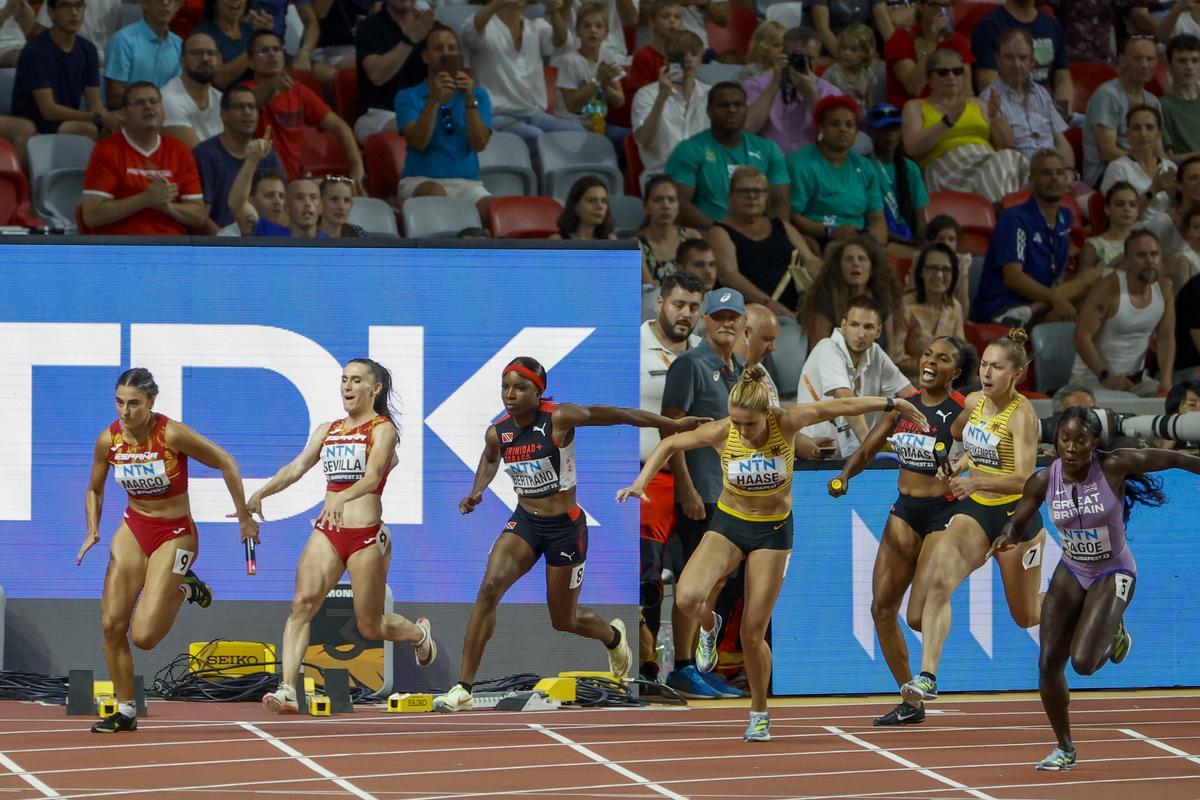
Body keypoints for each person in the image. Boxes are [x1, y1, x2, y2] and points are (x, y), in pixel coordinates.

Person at [619, 366, 929, 740]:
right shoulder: (724, 430)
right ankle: (708, 625)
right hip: (729, 524)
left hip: (773, 532)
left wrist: (892, 401)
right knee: (686, 598)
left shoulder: (788, 422)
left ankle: (759, 712)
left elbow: (841, 406)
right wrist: (640, 483)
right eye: (735, 421)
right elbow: (669, 443)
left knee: (753, 632)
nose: (742, 432)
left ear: (766, 414)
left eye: (748, 424)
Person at [431, 357, 707, 711]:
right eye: (505, 387)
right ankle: (462, 688)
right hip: (525, 523)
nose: (510, 395)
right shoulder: (497, 430)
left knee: (564, 619)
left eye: (520, 388)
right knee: (489, 587)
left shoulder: (559, 417)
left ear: (538, 391)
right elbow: (489, 458)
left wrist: (669, 423)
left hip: (565, 529)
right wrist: (478, 490)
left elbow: (619, 414)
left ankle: (613, 636)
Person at [995, 407, 1200, 770]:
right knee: (1047, 663)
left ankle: (1115, 632)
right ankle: (1064, 747)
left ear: (1095, 443)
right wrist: (1007, 537)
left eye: (1080, 440)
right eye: (1064, 439)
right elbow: (1019, 520)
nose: (1071, 448)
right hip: (1072, 570)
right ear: (1055, 440)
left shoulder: (1114, 466)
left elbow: (1173, 458)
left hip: (1113, 571)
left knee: (1084, 663)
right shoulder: (1044, 481)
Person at [77, 368, 258, 732]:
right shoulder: (108, 440)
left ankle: (186, 587)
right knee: (112, 623)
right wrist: (93, 529)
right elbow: (94, 488)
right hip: (133, 528)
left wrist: (243, 516)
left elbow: (226, 461)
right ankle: (125, 710)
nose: (125, 412)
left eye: (134, 404)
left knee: (144, 637)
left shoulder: (170, 433)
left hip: (175, 533)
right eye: (119, 402)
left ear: (151, 403)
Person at [254, 359, 435, 714]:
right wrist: (261, 493)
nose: (347, 387)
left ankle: (418, 634)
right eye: (344, 380)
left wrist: (341, 497)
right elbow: (295, 468)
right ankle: (287, 687)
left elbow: (372, 477)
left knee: (370, 626)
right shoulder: (328, 429)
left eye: (356, 381)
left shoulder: (383, 430)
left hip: (366, 536)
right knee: (302, 605)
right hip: (329, 532)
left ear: (375, 388)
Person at [898, 329, 1047, 713]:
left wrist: (975, 477)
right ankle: (927, 676)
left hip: (1016, 517)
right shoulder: (976, 401)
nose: (987, 373)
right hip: (977, 511)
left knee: (1027, 614)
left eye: (997, 367)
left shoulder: (1024, 416)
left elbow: (1029, 481)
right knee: (939, 582)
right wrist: (959, 462)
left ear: (1016, 375)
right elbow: (965, 438)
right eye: (984, 365)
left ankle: (1084, 607)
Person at [829, 335, 971, 725]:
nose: (930, 362)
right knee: (881, 609)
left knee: (917, 615)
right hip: (905, 510)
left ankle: (929, 673)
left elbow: (988, 450)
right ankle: (911, 697)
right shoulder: (904, 406)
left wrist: (968, 470)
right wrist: (845, 476)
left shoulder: (960, 411)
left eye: (942, 359)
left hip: (944, 514)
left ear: (955, 372)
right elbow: (869, 448)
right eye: (927, 354)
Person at [659, 288, 748, 699]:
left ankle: (699, 664)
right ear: (705, 321)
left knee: (717, 582)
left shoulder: (741, 367)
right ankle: (680, 665)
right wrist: (687, 488)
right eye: (718, 316)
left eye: (733, 317)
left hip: (730, 493)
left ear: (743, 322)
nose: (726, 323)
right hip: (701, 492)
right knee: (692, 579)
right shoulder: (689, 364)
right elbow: (671, 429)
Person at [638, 272, 705, 685]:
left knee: (694, 576)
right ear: (659, 302)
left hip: (700, 485)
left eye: (695, 307)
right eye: (679, 304)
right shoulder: (632, 348)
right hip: (647, 480)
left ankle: (685, 667)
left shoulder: (703, 354)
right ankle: (644, 666)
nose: (686, 314)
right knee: (646, 580)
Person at [972, 150, 1092, 325]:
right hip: (1004, 307)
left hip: (1038, 305)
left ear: (1067, 179)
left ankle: (1030, 312)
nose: (1054, 178)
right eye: (1046, 173)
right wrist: (1055, 297)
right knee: (1077, 316)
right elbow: (1013, 277)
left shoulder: (1065, 217)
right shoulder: (1015, 218)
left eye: (1059, 173)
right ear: (1031, 180)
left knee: (1095, 281)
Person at [80, 82, 207, 236]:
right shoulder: (106, 150)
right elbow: (92, 215)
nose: (148, 107)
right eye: (139, 103)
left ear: (163, 112)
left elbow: (199, 216)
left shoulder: (180, 151)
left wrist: (168, 206)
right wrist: (145, 199)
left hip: (171, 248)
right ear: (122, 114)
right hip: (120, 247)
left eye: (154, 102)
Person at [901, 49, 1026, 203]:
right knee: (1006, 162)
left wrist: (994, 118)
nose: (951, 77)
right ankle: (1003, 215)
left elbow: (1007, 145)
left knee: (1020, 162)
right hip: (945, 167)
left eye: (957, 71)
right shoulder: (916, 106)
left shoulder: (977, 103)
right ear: (929, 78)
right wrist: (948, 121)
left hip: (986, 161)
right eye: (943, 72)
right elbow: (912, 148)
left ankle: (1004, 212)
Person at [394, 25, 492, 220]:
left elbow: (479, 144)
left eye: (452, 48)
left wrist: (469, 99)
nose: (446, 54)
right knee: (436, 193)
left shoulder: (478, 95)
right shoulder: (407, 96)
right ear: (425, 56)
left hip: (467, 184)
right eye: (438, 49)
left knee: (493, 209)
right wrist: (434, 100)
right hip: (421, 181)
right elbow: (418, 141)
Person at [798, 294, 914, 457]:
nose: (860, 334)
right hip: (818, 454)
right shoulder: (827, 348)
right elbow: (845, 399)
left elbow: (910, 394)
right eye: (854, 325)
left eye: (868, 327)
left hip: (853, 454)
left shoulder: (875, 353)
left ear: (878, 331)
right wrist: (870, 450)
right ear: (843, 325)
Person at [246, 30, 365, 188]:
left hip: (299, 181)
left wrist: (357, 169)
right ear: (250, 62)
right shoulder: (242, 93)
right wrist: (271, 87)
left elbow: (340, 127)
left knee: (340, 186)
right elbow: (252, 102)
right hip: (261, 184)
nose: (272, 54)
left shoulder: (298, 91)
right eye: (263, 51)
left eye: (276, 49)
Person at [666, 82, 791, 228]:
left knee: (807, 245)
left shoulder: (769, 149)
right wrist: (720, 232)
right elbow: (680, 204)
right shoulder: (689, 150)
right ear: (709, 111)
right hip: (707, 234)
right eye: (724, 105)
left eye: (738, 105)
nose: (732, 110)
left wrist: (776, 235)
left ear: (746, 109)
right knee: (634, 246)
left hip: (758, 233)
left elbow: (780, 202)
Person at [1070, 229, 1175, 397]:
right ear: (1126, 260)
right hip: (1093, 380)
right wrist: (1105, 376)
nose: (1149, 261)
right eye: (1141, 255)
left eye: (1154, 254)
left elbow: (1166, 336)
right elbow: (1081, 337)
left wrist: (1166, 380)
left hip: (1136, 382)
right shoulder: (1109, 287)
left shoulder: (1164, 288)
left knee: (1180, 402)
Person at [460, 0, 578, 147]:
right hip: (496, 115)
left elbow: (564, 44)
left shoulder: (536, 25)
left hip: (532, 113)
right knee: (536, 136)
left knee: (577, 132)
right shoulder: (484, 25)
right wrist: (497, 3)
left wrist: (554, 12)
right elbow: (469, 34)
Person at [709, 165, 820, 315]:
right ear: (730, 196)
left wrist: (816, 289)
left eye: (758, 191)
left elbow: (809, 259)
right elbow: (728, 276)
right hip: (747, 312)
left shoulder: (781, 226)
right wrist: (767, 303)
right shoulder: (719, 232)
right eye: (744, 191)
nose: (752, 196)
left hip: (793, 310)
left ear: (766, 197)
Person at [787, 95, 888, 248]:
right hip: (819, 239)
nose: (843, 129)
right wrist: (830, 231)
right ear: (820, 128)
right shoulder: (798, 164)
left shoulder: (866, 167)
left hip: (860, 241)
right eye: (835, 124)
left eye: (849, 125)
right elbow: (792, 216)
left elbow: (876, 217)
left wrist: (872, 244)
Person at [12, 0, 114, 138]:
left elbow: (94, 103)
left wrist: (111, 120)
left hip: (68, 119)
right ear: (51, 13)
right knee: (87, 129)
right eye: (66, 6)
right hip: (35, 123)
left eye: (79, 6)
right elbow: (48, 110)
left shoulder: (88, 49)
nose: (74, 12)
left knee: (120, 128)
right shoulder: (35, 51)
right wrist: (94, 117)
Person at [193, 84, 285, 231]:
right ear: (223, 114)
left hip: (262, 240)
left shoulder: (268, 155)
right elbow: (201, 215)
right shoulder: (205, 154)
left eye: (251, 107)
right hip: (219, 243)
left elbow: (283, 208)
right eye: (239, 107)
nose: (247, 112)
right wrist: (227, 242)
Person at [977, 28, 1074, 166]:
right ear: (997, 60)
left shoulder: (1042, 93)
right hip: (1022, 175)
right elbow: (1004, 148)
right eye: (1009, 57)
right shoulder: (988, 99)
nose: (1017, 65)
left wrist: (1069, 173)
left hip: (1055, 174)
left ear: (1032, 62)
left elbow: (1061, 141)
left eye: (1023, 58)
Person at [744, 25, 845, 156]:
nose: (803, 62)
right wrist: (775, 83)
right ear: (783, 56)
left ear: (819, 59)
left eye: (810, 58)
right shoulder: (756, 84)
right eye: (797, 57)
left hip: (811, 163)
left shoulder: (830, 91)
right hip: (768, 160)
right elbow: (748, 127)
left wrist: (810, 92)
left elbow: (834, 135)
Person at [631, 30, 710, 187]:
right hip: (662, 176)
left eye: (694, 53)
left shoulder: (711, 94)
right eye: (681, 54)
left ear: (701, 58)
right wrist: (661, 98)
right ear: (667, 59)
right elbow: (644, 140)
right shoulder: (647, 94)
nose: (688, 59)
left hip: (703, 175)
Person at [1082, 36, 1163, 188]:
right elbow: (1107, 151)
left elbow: (1158, 150)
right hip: (1109, 174)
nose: (1144, 65)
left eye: (1150, 59)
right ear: (1123, 60)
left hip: (1144, 170)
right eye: (1137, 58)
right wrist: (1146, 168)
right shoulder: (1107, 95)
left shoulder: (1153, 102)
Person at [970, 0, 1072, 115]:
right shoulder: (990, 26)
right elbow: (988, 83)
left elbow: (1062, 81)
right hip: (1010, 114)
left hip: (1045, 113)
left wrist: (1061, 117)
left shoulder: (1053, 26)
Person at [352, 0, 432, 142]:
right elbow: (377, 76)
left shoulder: (428, 26)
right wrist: (410, 40)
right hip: (376, 114)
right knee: (423, 128)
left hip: (419, 110)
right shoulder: (369, 27)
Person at [800, 234, 900, 346]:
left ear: (872, 269)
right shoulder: (826, 299)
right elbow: (818, 349)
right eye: (849, 259)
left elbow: (890, 347)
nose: (856, 263)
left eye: (861, 259)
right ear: (839, 268)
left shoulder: (881, 297)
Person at [554, 2, 626, 149]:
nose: (592, 30)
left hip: (598, 123)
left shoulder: (608, 57)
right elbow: (572, 106)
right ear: (577, 31)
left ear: (606, 33)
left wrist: (605, 83)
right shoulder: (568, 60)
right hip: (571, 123)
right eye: (586, 26)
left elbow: (619, 101)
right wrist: (597, 81)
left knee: (630, 137)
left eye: (598, 26)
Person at [890, 243, 966, 379]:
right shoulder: (904, 306)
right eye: (932, 268)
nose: (939, 275)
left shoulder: (955, 307)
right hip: (911, 380)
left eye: (946, 269)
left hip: (946, 381)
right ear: (921, 272)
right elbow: (895, 359)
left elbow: (961, 353)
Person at [883, 0, 973, 109]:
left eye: (947, 6)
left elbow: (966, 89)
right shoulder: (901, 38)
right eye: (935, 5)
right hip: (908, 113)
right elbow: (913, 88)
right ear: (920, 5)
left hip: (948, 112)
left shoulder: (958, 41)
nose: (942, 12)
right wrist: (932, 42)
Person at [864, 102, 928, 256]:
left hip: (909, 240)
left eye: (894, 129)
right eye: (883, 130)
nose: (890, 136)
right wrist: (906, 243)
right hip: (878, 241)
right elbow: (867, 219)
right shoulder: (863, 166)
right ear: (870, 131)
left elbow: (920, 216)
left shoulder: (910, 168)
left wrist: (923, 242)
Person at [1100, 105, 1177, 229]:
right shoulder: (1118, 168)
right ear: (1128, 134)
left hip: (1171, 230)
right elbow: (1117, 217)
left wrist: (1173, 196)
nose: (1143, 133)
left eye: (1149, 127)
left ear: (1158, 133)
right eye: (1136, 128)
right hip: (1136, 234)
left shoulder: (1169, 167)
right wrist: (1153, 189)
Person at [104, 0, 183, 109]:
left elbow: (180, 92)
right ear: (144, 3)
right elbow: (114, 97)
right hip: (131, 117)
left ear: (178, 6)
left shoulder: (180, 45)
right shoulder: (123, 40)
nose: (165, 2)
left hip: (169, 115)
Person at [161, 32, 223, 150]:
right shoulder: (168, 99)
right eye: (197, 53)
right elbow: (198, 155)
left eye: (210, 53)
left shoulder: (222, 98)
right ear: (182, 61)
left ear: (219, 60)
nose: (205, 58)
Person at [636, 174, 702, 284]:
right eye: (658, 200)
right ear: (646, 206)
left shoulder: (692, 237)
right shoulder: (636, 244)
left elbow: (701, 282)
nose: (666, 205)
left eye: (671, 200)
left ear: (678, 206)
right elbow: (648, 290)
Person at [192, 0, 262, 90]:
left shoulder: (251, 30)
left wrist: (268, 36)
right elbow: (219, 79)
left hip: (253, 98)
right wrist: (254, 47)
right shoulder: (203, 36)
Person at [1079, 181, 1140, 277]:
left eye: (1132, 205)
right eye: (1120, 204)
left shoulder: (1144, 242)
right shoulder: (1093, 247)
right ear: (1107, 209)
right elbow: (1081, 287)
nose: (1127, 209)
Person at [627, 0, 683, 94]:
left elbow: (680, 92)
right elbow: (641, 95)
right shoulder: (643, 55)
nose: (672, 21)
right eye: (665, 17)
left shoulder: (680, 56)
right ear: (652, 23)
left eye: (677, 17)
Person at [926, 214, 973, 319]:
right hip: (924, 318)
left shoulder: (962, 263)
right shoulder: (921, 260)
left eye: (951, 239)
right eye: (940, 239)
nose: (946, 244)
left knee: (1012, 334)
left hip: (951, 319)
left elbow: (963, 309)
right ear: (930, 242)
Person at [823, 23, 879, 111]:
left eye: (853, 50)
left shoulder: (868, 75)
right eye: (843, 47)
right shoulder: (832, 75)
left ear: (866, 53)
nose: (846, 53)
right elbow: (824, 105)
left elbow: (869, 103)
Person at [809, 0, 892, 59]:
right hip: (829, 54)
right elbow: (823, 29)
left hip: (860, 53)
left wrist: (899, 54)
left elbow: (885, 23)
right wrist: (846, 57)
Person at [1162, 34, 1200, 163]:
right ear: (1170, 65)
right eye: (1182, 61)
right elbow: (1168, 159)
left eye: (1195, 60)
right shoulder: (1163, 106)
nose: (1189, 67)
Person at [550, 176, 616, 240]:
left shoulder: (610, 240)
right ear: (575, 205)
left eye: (604, 201)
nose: (600, 207)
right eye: (592, 201)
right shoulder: (558, 240)